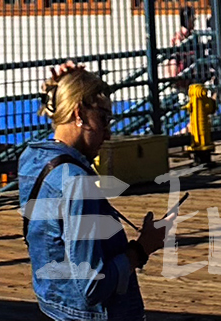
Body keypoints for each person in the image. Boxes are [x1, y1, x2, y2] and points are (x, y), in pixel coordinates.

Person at [19, 66, 170, 319]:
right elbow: (93, 286)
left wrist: (68, 85)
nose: (108, 132)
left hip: (54, 307)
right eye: (103, 119)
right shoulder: (77, 182)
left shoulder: (32, 158)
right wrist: (142, 249)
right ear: (79, 114)